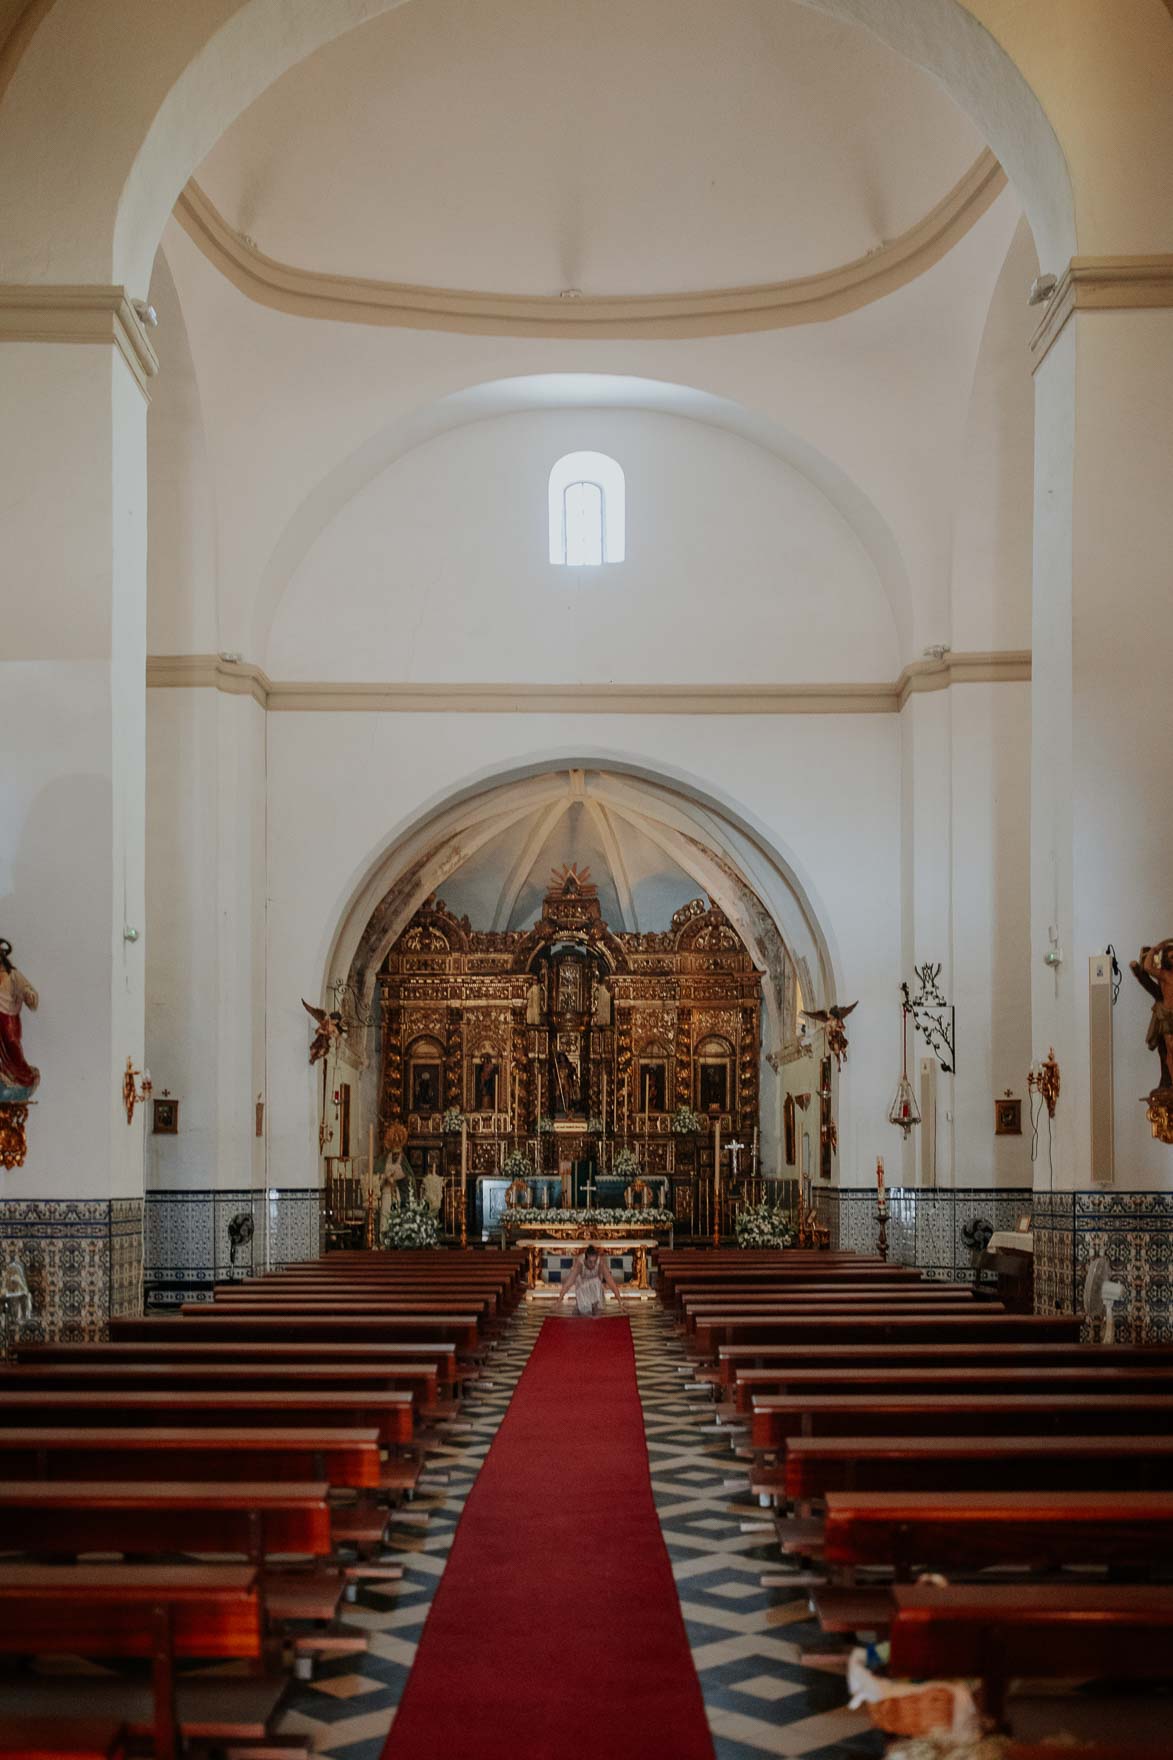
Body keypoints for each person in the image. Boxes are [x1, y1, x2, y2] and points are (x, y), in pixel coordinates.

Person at [560, 1243, 620, 1316]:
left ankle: (594, 1306)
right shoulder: (580, 1263)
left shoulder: (600, 1262)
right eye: (590, 1262)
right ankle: (580, 1307)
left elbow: (611, 1282)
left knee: (598, 1314)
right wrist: (558, 1301)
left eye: (594, 1262)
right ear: (586, 1259)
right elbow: (568, 1283)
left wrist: (620, 1302)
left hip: (595, 1289)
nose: (593, 1264)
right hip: (582, 1289)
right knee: (586, 1314)